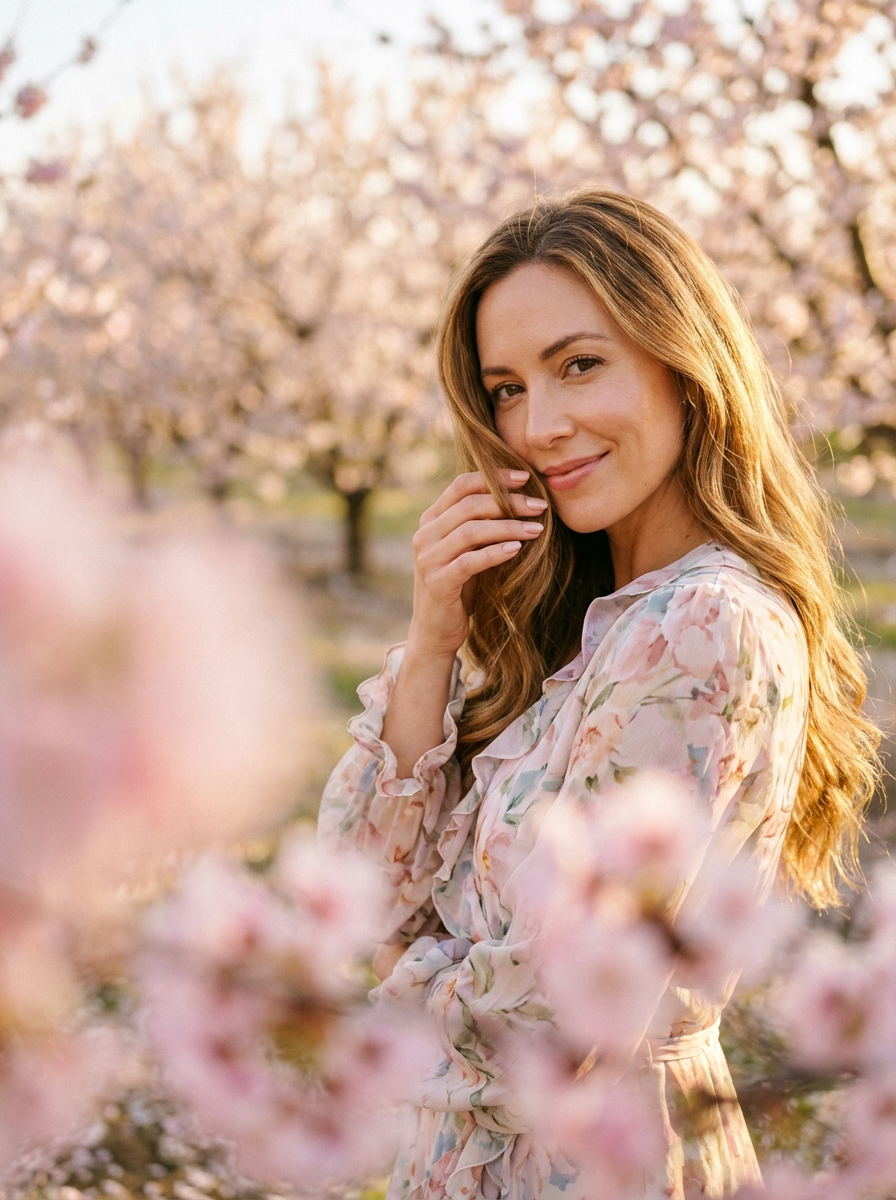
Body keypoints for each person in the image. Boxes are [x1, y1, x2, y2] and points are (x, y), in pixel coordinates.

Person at [318, 189, 880, 1200]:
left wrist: (384, 994)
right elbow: (362, 893)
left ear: (683, 366)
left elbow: (552, 1015)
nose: (539, 426)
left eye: (579, 364)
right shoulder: (583, 628)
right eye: (506, 389)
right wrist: (433, 639)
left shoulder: (699, 626)